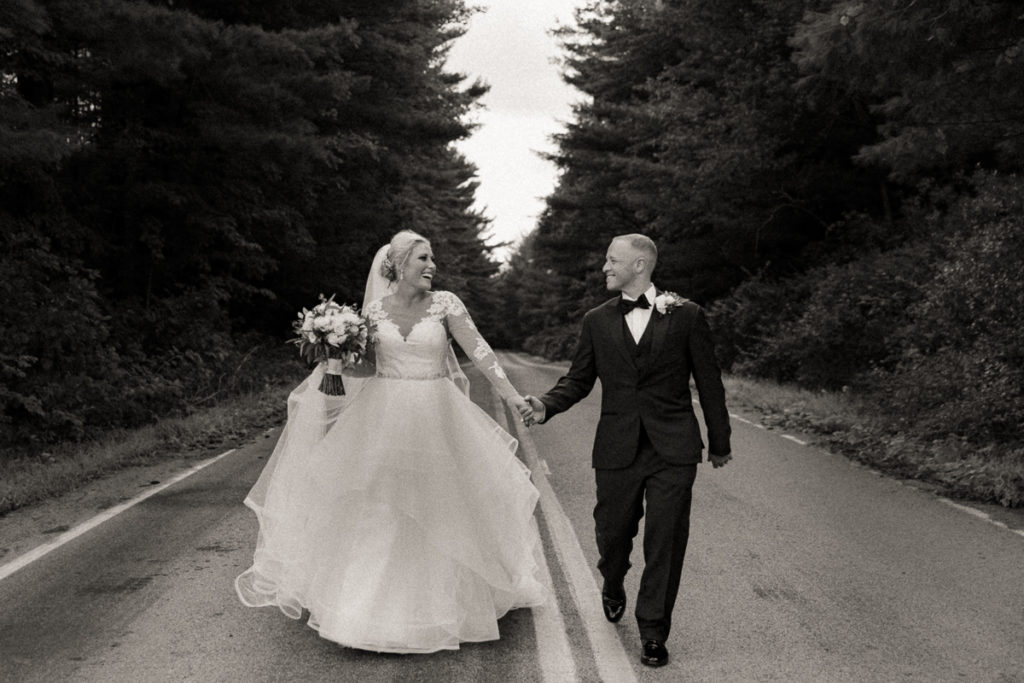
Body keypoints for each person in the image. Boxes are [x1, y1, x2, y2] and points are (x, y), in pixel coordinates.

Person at [236, 230, 546, 654]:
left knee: (442, 506)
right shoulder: (374, 311)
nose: (432, 266)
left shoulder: (446, 304)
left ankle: (444, 609)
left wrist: (512, 396)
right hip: (382, 417)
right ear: (399, 265)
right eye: (423, 258)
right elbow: (367, 369)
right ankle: (366, 615)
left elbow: (480, 352)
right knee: (380, 509)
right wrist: (332, 353)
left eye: (432, 258)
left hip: (438, 415)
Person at [524, 233, 731, 668]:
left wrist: (719, 440)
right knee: (612, 533)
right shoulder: (596, 320)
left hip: (673, 448)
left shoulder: (687, 315)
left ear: (639, 266)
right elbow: (578, 380)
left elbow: (709, 382)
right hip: (617, 447)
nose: (604, 267)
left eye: (612, 261)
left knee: (666, 541)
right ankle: (613, 580)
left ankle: (653, 631)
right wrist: (545, 406)